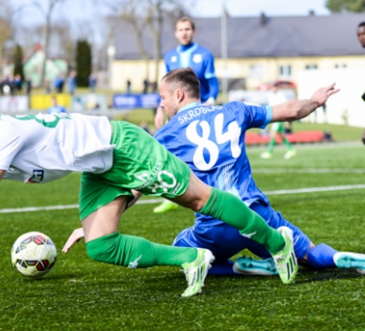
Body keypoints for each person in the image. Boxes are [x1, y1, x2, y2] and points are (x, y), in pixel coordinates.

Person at [0, 99, 299, 297]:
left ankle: (278, 244)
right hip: (99, 168)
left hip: (123, 146)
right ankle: (192, 260)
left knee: (199, 199)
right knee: (101, 244)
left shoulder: (3, 133)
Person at [64, 68, 346, 278]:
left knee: (182, 251)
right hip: (258, 217)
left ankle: (236, 269)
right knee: (308, 255)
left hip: (215, 230)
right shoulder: (236, 110)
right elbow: (290, 110)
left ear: (178, 94)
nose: (161, 105)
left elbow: (134, 186)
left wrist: (96, 222)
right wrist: (314, 101)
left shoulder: (165, 137)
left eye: (162, 97)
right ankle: (342, 258)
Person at [153, 16, 220, 214]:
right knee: (170, 152)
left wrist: (211, 101)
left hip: (200, 110)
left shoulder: (204, 54)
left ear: (193, 32)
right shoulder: (170, 56)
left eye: (188, 29)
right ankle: (171, 196)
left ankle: (214, 195)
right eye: (180, 29)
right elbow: (165, 86)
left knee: (205, 151)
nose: (184, 33)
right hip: (175, 111)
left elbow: (213, 82)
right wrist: (160, 107)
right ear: (176, 33)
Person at [260, 85, 296, 160]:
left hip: (279, 118)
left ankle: (269, 152)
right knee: (281, 135)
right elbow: (270, 108)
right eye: (272, 87)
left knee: (273, 134)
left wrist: (287, 120)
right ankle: (291, 150)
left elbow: (284, 107)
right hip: (273, 117)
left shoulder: (281, 96)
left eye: (275, 87)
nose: (274, 89)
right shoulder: (271, 96)